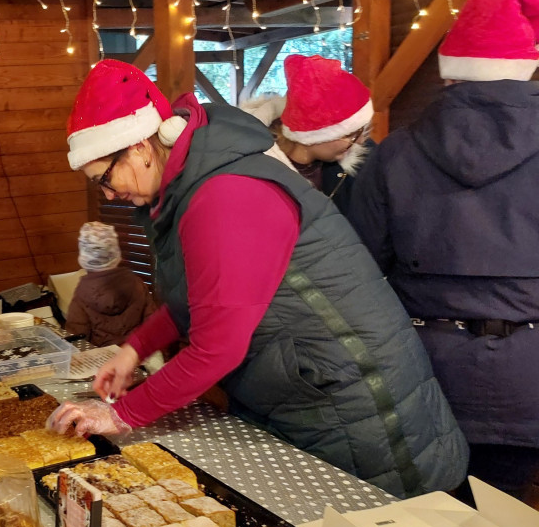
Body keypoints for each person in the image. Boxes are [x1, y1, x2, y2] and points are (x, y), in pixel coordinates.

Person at [46, 59, 468, 499]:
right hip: (312, 390)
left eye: (105, 179)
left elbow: (216, 347)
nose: (110, 195)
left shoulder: (224, 195)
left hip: (359, 408)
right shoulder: (193, 184)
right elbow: (202, 296)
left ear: (138, 147)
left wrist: (120, 415)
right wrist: (134, 350)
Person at [348, 0, 539, 508]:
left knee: (423, 522)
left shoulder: (393, 154)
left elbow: (355, 269)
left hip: (424, 371)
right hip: (529, 377)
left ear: (449, 73)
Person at [242, 54, 374, 216]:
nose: (360, 141)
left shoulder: (364, 160)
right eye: (351, 134)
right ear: (314, 136)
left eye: (361, 130)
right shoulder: (255, 170)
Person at [64, 221, 157, 347]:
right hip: (136, 356)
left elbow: (76, 340)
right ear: (116, 252)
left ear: (84, 256)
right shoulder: (136, 283)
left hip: (103, 362)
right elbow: (153, 325)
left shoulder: (82, 293)